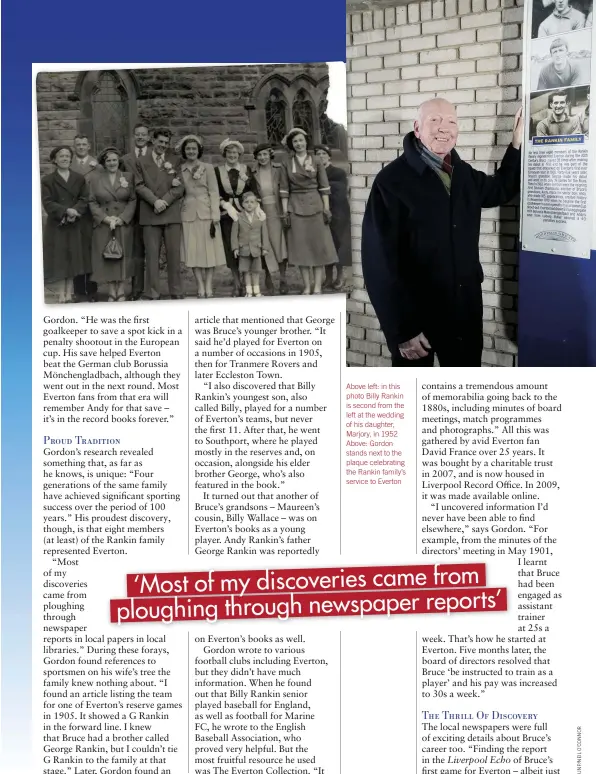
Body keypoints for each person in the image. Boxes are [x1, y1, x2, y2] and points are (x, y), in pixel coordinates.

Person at [361, 97, 523, 368]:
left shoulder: (464, 175)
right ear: (417, 128)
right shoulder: (391, 181)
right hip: (415, 318)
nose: (443, 128)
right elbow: (378, 264)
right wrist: (402, 330)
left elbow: (501, 189)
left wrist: (516, 143)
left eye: (450, 121)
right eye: (434, 120)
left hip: (463, 311)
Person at [279, 128, 337, 295]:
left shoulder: (316, 160)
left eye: (301, 140)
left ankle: (317, 287)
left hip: (316, 207)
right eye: (295, 141)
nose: (299, 144)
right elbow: (284, 190)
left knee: (318, 247)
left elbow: (324, 187)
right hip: (295, 207)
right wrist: (285, 212)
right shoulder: (287, 162)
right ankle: (307, 286)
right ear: (291, 144)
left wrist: (326, 209)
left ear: (306, 142)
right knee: (301, 249)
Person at [135, 128, 184, 299]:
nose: (163, 145)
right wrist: (155, 201)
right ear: (153, 141)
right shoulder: (141, 161)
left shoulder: (175, 161)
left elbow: (180, 186)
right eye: (160, 141)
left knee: (174, 255)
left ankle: (176, 291)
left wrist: (165, 201)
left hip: (170, 212)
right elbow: (139, 185)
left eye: (166, 143)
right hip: (150, 212)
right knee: (152, 256)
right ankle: (153, 292)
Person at [178, 134, 226, 298]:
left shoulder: (208, 167)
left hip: (206, 212)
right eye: (188, 149)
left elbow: (213, 192)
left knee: (209, 250)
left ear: (199, 150)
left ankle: (209, 286)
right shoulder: (180, 169)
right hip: (188, 213)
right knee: (194, 251)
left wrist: (215, 214)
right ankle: (199, 285)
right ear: (184, 151)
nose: (191, 151)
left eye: (194, 148)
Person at [41, 146, 90, 304]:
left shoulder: (79, 178)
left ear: (71, 159)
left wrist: (74, 212)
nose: (64, 159)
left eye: (67, 156)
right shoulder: (47, 180)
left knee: (73, 258)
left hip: (75, 223)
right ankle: (61, 294)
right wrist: (65, 211)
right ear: (55, 159)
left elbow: (84, 199)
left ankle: (70, 293)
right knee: (60, 259)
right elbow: (47, 202)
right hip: (58, 224)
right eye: (61, 156)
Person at [88, 147, 137, 302]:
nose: (112, 163)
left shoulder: (128, 177)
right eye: (108, 160)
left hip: (122, 222)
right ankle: (111, 290)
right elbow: (92, 201)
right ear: (103, 162)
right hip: (104, 223)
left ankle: (121, 289)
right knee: (108, 256)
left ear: (119, 161)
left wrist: (122, 218)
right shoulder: (95, 179)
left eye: (114, 160)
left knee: (122, 255)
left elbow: (133, 199)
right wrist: (105, 218)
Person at [214, 139, 256, 297]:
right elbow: (214, 192)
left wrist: (248, 207)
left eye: (235, 153)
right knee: (231, 248)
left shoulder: (246, 169)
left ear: (239, 154)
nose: (232, 155)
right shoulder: (218, 171)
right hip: (227, 214)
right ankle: (237, 283)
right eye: (229, 152)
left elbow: (253, 190)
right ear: (224, 154)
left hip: (244, 213)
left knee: (245, 247)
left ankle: (247, 283)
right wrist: (225, 206)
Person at [314, 144, 352, 291]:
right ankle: (328, 277)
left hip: (338, 211)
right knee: (325, 245)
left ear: (329, 156)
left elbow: (339, 193)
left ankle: (340, 276)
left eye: (323, 153)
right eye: (318, 154)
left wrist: (323, 188)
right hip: (320, 212)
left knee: (338, 243)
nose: (321, 156)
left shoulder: (338, 172)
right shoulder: (315, 172)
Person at [121, 123, 152, 300]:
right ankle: (136, 288)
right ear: (134, 137)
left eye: (143, 134)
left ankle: (152, 288)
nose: (140, 137)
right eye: (137, 135)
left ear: (148, 137)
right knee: (136, 251)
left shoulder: (156, 156)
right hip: (134, 210)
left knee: (153, 250)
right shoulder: (126, 159)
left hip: (153, 208)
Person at [252, 142, 287, 294]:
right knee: (264, 244)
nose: (262, 157)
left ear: (270, 155)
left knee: (279, 243)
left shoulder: (279, 169)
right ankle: (268, 276)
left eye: (265, 154)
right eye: (259, 155)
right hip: (260, 211)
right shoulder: (252, 172)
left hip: (277, 210)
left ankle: (283, 278)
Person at [71, 134, 99, 301]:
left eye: (84, 144)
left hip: (91, 214)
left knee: (91, 252)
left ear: (89, 146)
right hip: (75, 213)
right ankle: (78, 291)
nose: (81, 147)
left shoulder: (96, 165)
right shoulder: (68, 163)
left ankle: (92, 290)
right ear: (74, 147)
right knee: (75, 252)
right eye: (78, 145)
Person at [231, 190, 271, 297]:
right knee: (245, 270)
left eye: (252, 202)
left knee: (256, 270)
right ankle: (248, 290)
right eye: (247, 202)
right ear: (242, 204)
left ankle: (257, 290)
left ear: (256, 204)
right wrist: (235, 248)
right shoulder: (238, 217)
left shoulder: (260, 217)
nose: (249, 204)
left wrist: (265, 248)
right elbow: (234, 235)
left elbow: (264, 233)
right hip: (243, 248)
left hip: (256, 248)